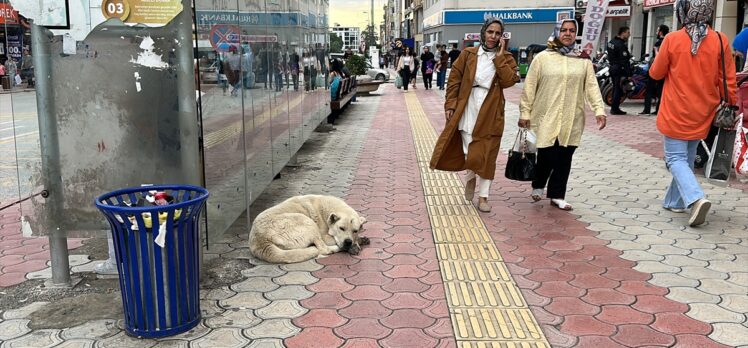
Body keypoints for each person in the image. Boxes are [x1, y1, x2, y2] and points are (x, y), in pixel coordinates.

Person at [649, 0, 737, 227]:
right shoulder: (720, 40)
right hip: (704, 110)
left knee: (675, 158)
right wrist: (732, 105)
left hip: (676, 109)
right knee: (686, 157)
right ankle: (674, 201)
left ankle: (695, 198)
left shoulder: (672, 39)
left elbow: (656, 73)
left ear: (683, 11)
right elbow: (727, 78)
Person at [429, 17, 520, 212]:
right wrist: (450, 104)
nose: (493, 37)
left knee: (488, 154)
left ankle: (484, 196)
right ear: (483, 32)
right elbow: (454, 80)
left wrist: (499, 57)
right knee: (469, 149)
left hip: (491, 107)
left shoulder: (506, 58)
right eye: (490, 32)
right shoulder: (468, 54)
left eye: (497, 33)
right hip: (468, 104)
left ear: (501, 37)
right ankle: (471, 177)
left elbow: (509, 81)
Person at [519, 19, 607, 211]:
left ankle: (557, 195)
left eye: (572, 30)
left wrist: (599, 110)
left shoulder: (582, 59)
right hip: (546, 115)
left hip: (572, 117)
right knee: (546, 155)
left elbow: (591, 86)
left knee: (565, 157)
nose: (568, 34)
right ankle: (539, 184)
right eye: (564, 30)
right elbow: (529, 87)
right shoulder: (542, 58)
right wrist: (525, 112)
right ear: (557, 32)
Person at [641, 24, 669, 115]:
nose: (657, 32)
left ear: (660, 32)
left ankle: (647, 109)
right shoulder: (668, 41)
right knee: (661, 89)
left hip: (656, 67)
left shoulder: (659, 43)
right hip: (664, 69)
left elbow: (659, 56)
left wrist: (656, 50)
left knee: (649, 89)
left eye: (657, 30)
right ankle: (658, 110)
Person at [607, 26, 632, 115]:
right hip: (618, 69)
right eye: (628, 33)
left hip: (612, 67)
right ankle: (615, 108)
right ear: (623, 33)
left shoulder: (611, 42)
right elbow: (624, 61)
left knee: (615, 87)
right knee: (618, 88)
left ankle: (614, 107)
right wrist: (629, 73)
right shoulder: (621, 45)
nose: (629, 35)